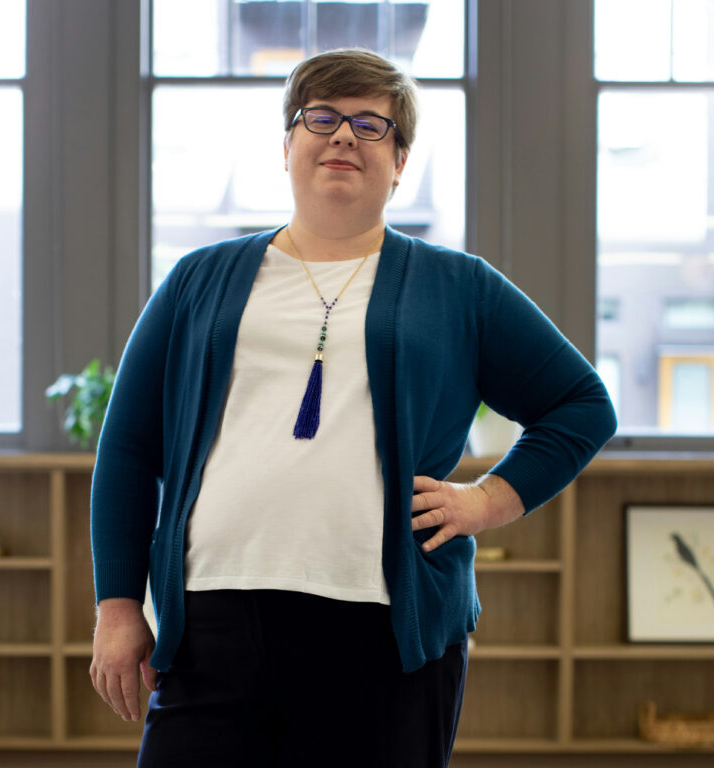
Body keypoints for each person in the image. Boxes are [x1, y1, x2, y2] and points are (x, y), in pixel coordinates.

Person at [89, 48, 617, 768]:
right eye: (323, 117)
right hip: (212, 621)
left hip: (384, 633)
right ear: (287, 147)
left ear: (400, 162)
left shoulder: (459, 288)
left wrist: (487, 502)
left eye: (372, 125)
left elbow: (582, 405)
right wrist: (118, 605)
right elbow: (126, 450)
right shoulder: (197, 281)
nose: (344, 136)